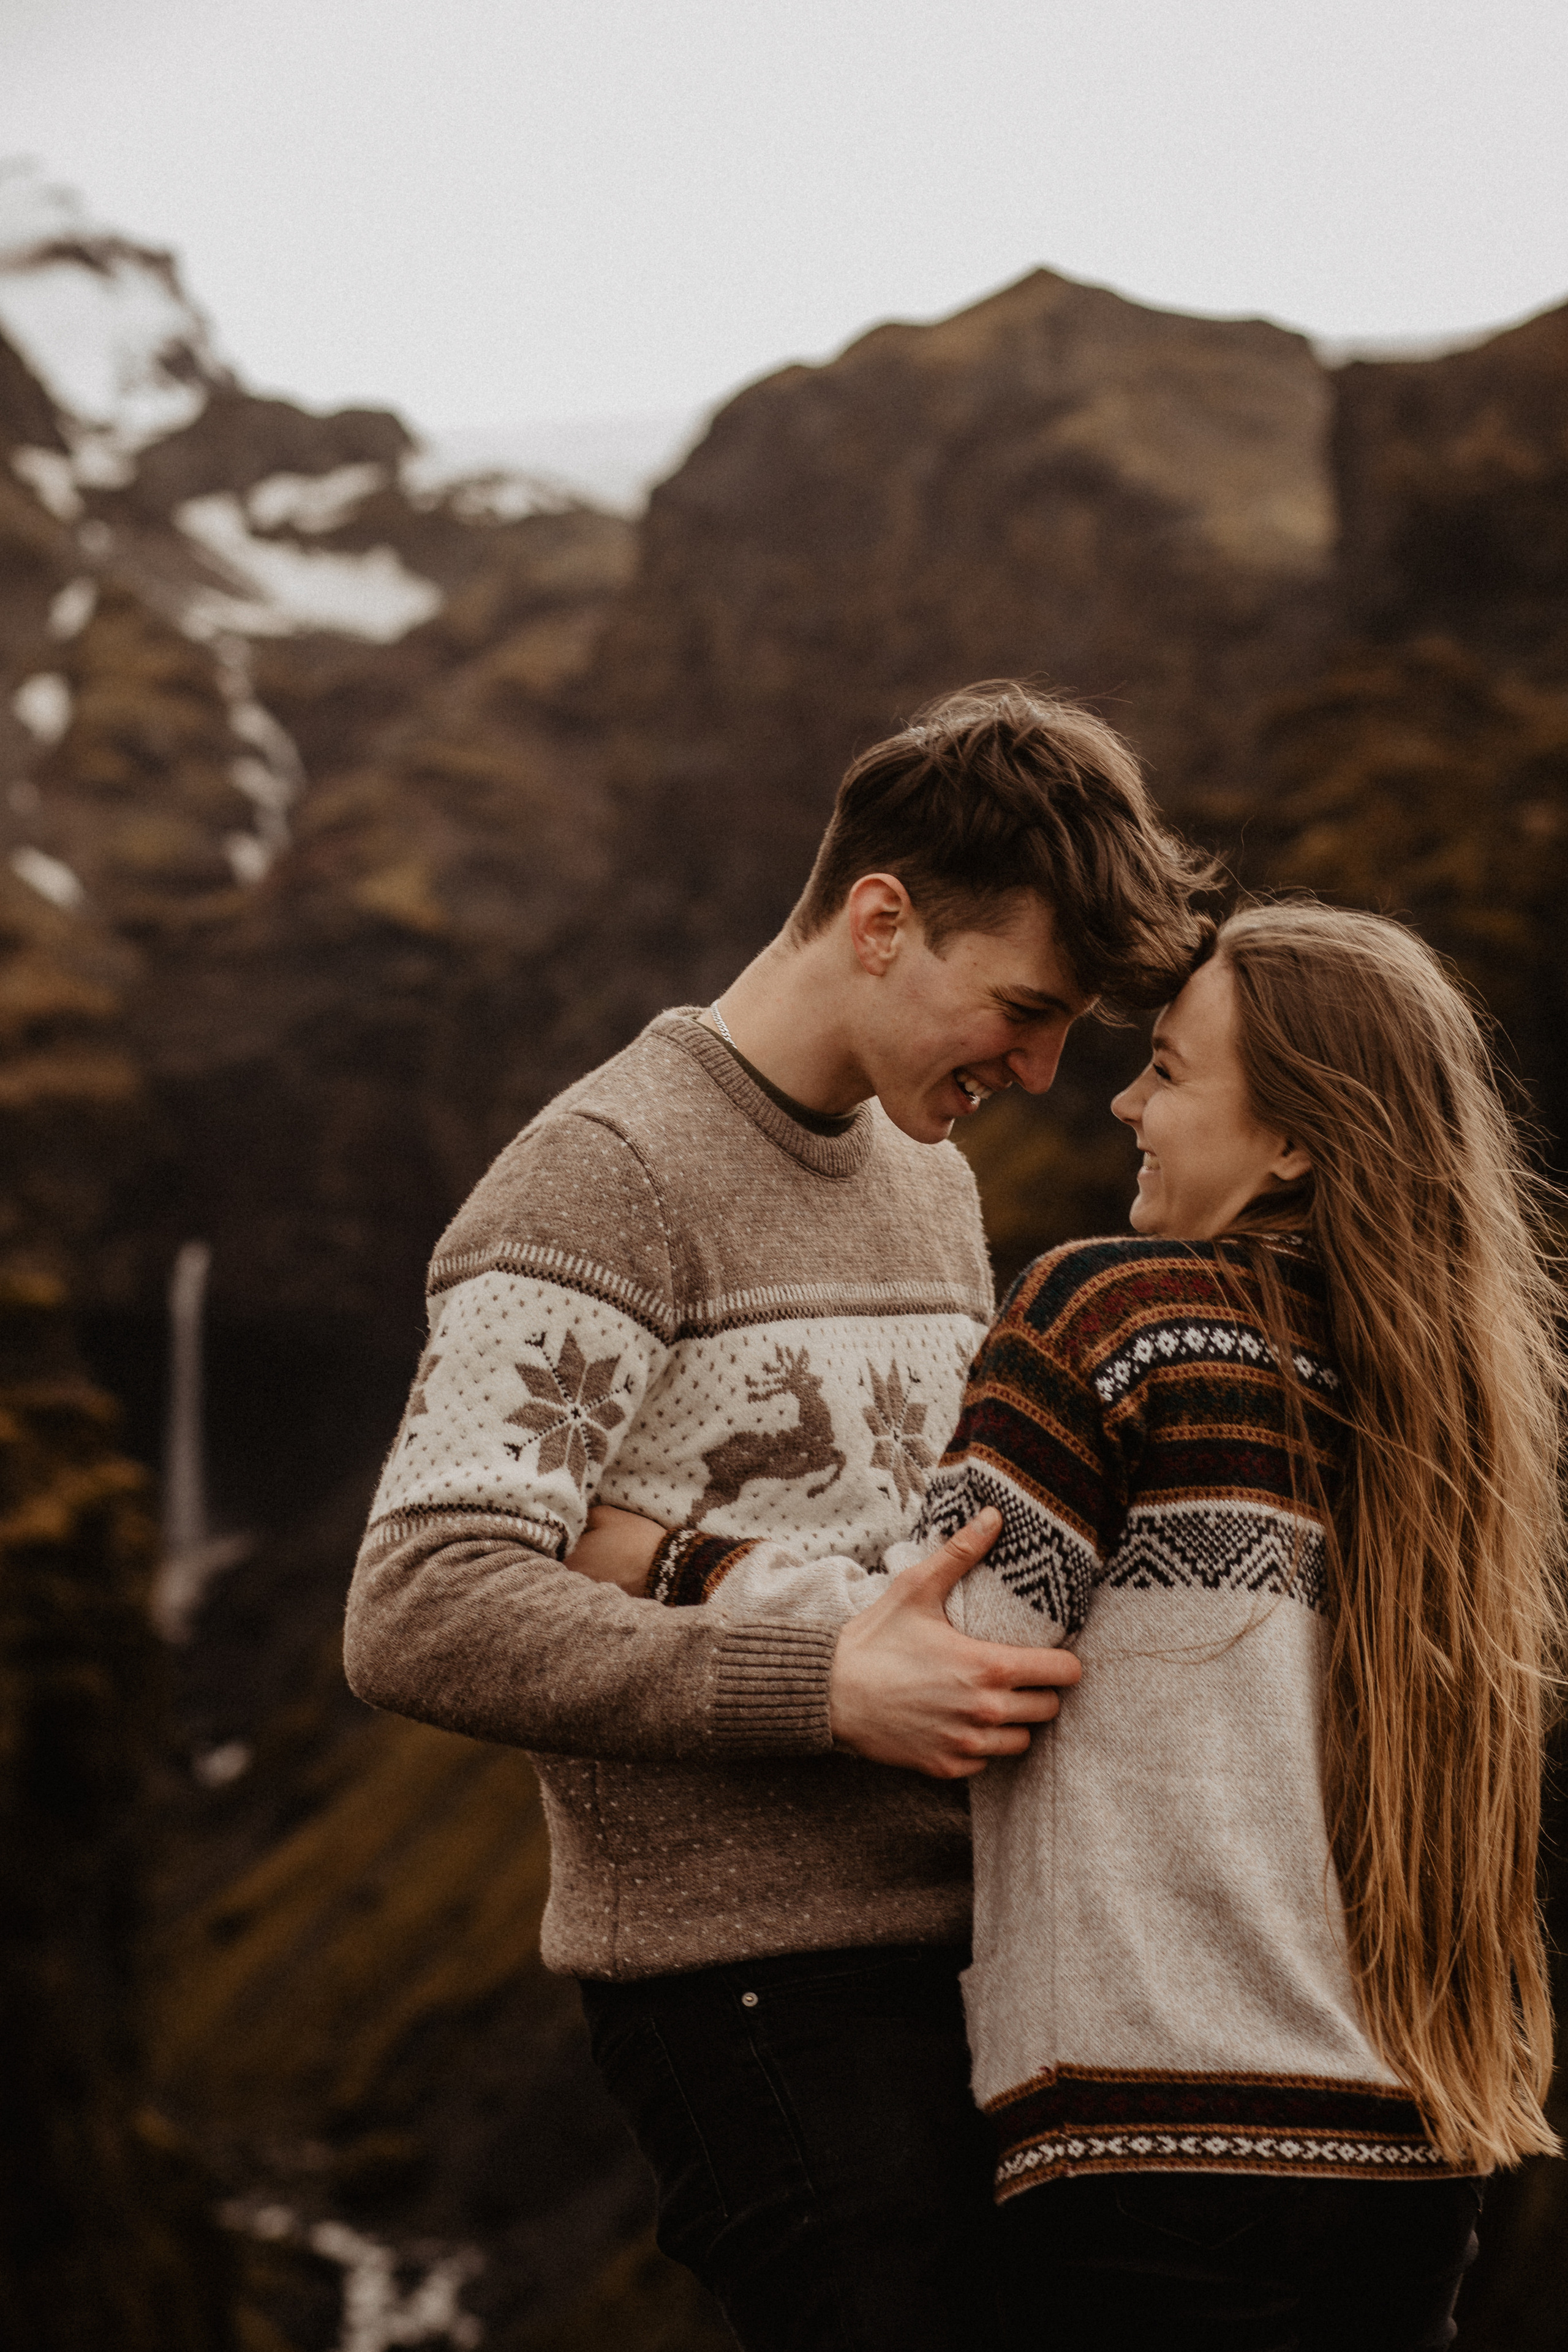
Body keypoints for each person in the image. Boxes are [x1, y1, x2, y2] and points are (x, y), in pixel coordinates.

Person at [342, 681, 1213, 2352]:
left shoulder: (928, 1178)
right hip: (750, 1989)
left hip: (978, 1958)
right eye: (1025, 1010)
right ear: (883, 920)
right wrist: (818, 1690)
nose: (1039, 1072)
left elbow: (907, 1557)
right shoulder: (604, 1172)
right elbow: (420, 1600)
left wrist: (692, 1561)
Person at [608, 899, 1562, 2350]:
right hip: (1411, 2185)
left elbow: (950, 1654)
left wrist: (681, 1562)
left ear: (1294, 1139)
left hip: (1153, 2162)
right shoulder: (1458, 1431)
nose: (1120, 1099)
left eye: (1168, 1072)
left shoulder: (1111, 1318)